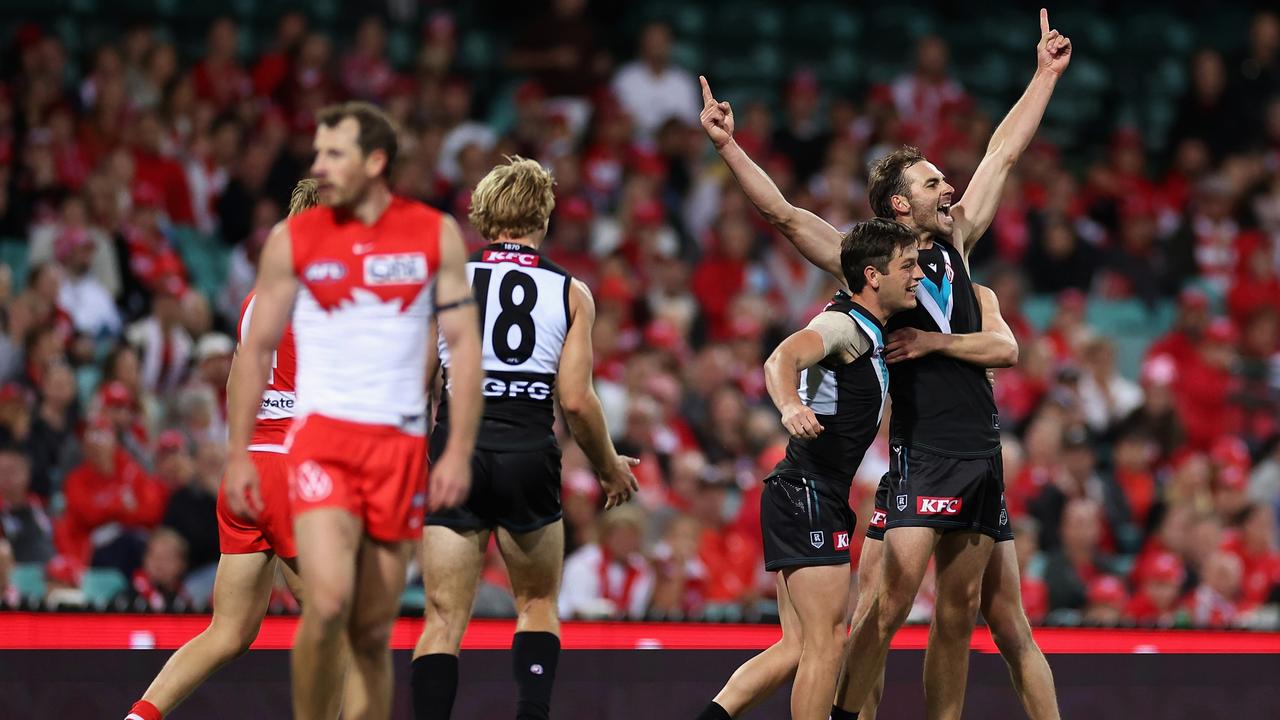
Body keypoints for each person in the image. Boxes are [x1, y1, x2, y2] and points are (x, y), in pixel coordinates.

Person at [698, 10, 1071, 719]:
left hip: (980, 449)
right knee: (883, 609)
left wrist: (1044, 76)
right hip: (921, 451)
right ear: (901, 203)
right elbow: (783, 215)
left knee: (959, 615)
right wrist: (728, 147)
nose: (949, 187)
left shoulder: (958, 246)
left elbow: (1003, 154)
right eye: (933, 183)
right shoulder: (877, 269)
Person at [224, 101, 483, 720]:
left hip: (332, 455)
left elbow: (459, 349)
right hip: (321, 456)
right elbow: (264, 356)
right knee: (338, 620)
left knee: (336, 631)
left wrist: (454, 449)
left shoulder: (425, 237)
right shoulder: (312, 261)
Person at [410, 156, 639, 720]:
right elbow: (578, 400)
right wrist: (609, 467)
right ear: (544, 216)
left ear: (484, 214)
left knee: (442, 619)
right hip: (527, 452)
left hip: (456, 450)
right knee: (536, 603)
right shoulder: (571, 292)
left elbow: (416, 386)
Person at [698, 218, 922, 720]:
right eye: (906, 266)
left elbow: (822, 386)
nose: (917, 276)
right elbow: (782, 358)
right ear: (872, 275)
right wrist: (787, 407)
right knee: (827, 645)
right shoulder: (842, 326)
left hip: (808, 491)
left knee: (797, 646)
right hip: (808, 492)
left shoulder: (864, 330)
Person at [124, 179, 320, 720]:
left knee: (229, 630)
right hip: (294, 468)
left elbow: (239, 382)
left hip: (248, 469)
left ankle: (138, 718)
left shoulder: (256, 298)